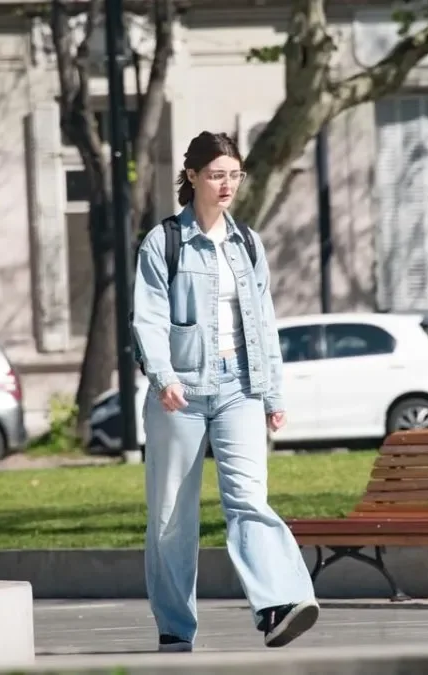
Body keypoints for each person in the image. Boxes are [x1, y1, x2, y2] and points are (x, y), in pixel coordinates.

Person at [132, 131, 319, 652]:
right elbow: (148, 318)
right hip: (182, 390)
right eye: (217, 174)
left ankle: (278, 603)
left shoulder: (247, 242)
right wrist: (163, 376)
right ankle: (175, 626)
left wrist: (274, 393)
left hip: (240, 386)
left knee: (249, 499)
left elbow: (263, 320)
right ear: (191, 176)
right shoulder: (163, 241)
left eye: (234, 174)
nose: (227, 184)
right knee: (171, 515)